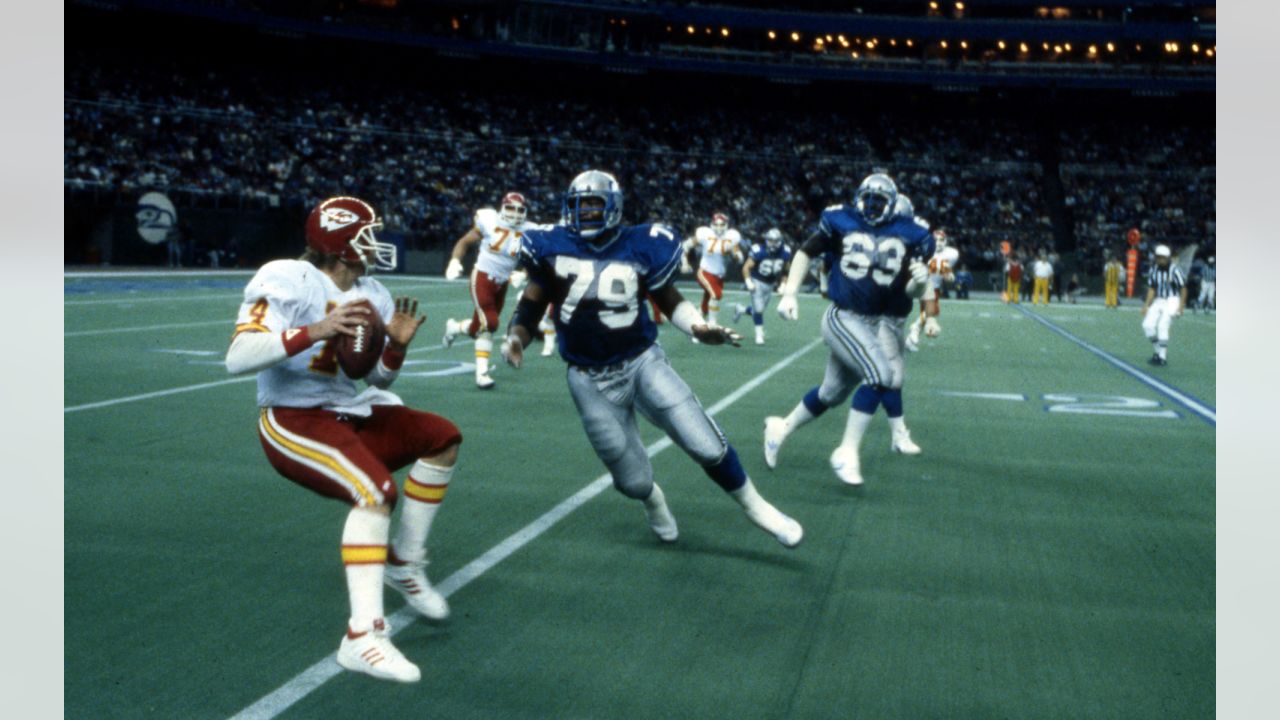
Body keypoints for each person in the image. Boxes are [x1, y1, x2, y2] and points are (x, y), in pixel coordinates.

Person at [225, 197, 460, 683]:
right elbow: (239, 355)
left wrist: (395, 346)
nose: (376, 243)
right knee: (375, 493)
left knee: (442, 437)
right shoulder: (289, 276)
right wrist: (316, 329)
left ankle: (404, 562)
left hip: (345, 409)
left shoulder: (375, 293)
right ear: (340, 240)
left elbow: (376, 378)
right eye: (367, 233)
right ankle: (362, 636)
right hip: (291, 418)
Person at [500, 170, 803, 548]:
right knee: (633, 481)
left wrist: (696, 326)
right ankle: (653, 500)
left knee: (703, 440)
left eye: (595, 205)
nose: (586, 214)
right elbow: (531, 306)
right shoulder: (551, 245)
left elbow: (667, 299)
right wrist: (516, 337)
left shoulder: (642, 243)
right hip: (588, 377)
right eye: (580, 206)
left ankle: (756, 506)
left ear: (613, 208)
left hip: (641, 361)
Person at [767, 173, 935, 486]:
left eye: (879, 200)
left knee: (831, 393)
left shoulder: (912, 235)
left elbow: (910, 292)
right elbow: (806, 251)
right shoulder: (839, 219)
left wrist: (922, 280)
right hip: (843, 316)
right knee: (881, 376)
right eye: (867, 198)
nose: (871, 206)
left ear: (892, 204)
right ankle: (846, 451)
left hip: (873, 322)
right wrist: (790, 292)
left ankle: (782, 427)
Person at [442, 192, 542, 389]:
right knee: (490, 323)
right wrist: (454, 261)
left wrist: (524, 273)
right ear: (502, 208)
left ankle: (455, 327)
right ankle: (482, 373)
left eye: (520, 209)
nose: (515, 213)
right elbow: (465, 242)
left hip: (502, 282)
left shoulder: (530, 230)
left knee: (477, 328)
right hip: (482, 277)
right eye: (511, 208)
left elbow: (536, 259)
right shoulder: (489, 220)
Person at [732, 227, 793, 345]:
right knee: (759, 310)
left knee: (758, 310)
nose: (773, 244)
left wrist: (783, 284)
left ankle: (741, 309)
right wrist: (748, 282)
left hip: (770, 283)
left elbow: (786, 270)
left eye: (775, 241)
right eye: (770, 241)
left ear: (780, 241)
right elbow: (746, 267)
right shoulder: (759, 250)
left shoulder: (785, 252)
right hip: (757, 281)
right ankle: (759, 335)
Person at [683, 212, 744, 327]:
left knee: (706, 305)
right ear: (712, 224)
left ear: (727, 225)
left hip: (719, 275)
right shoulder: (705, 234)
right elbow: (686, 245)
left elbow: (738, 256)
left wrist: (737, 256)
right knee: (715, 296)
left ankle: (694, 325)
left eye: (722, 225)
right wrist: (684, 263)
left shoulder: (732, 236)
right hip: (705, 271)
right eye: (717, 224)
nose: (719, 227)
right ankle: (712, 324)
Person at [906, 229, 957, 352]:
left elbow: (946, 273)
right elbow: (932, 267)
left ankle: (912, 337)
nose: (939, 243)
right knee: (931, 312)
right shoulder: (926, 252)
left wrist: (949, 275)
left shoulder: (950, 254)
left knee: (929, 313)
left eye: (942, 240)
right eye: (936, 240)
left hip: (935, 287)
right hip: (924, 286)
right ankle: (915, 328)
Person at [1141, 244, 1188, 366]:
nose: (1159, 259)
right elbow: (1152, 288)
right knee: (1147, 325)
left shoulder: (1175, 270)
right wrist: (1146, 305)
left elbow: (1183, 288)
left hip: (1172, 299)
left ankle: (1162, 357)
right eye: (1158, 257)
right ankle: (1158, 350)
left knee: (1163, 325)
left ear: (1167, 258)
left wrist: (1181, 306)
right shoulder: (1154, 269)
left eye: (1162, 257)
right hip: (1159, 300)